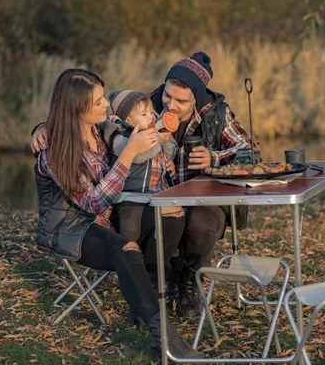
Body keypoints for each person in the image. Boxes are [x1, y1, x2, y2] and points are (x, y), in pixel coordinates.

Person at [33, 68, 202, 359]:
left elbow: (127, 119)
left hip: (107, 218)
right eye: (98, 101)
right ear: (78, 107)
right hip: (72, 229)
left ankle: (146, 297)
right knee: (125, 248)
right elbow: (94, 204)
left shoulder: (100, 127)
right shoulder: (55, 151)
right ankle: (164, 339)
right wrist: (128, 153)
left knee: (172, 214)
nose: (106, 105)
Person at [150, 52, 258, 317]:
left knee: (201, 222)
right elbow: (107, 123)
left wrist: (214, 157)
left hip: (206, 198)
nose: (171, 105)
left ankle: (189, 280)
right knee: (160, 218)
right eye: (168, 95)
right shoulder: (148, 106)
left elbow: (251, 153)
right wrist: (42, 129)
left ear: (196, 98)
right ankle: (161, 279)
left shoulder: (217, 113)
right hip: (160, 196)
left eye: (180, 100)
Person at [103, 89, 184, 277]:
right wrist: (158, 140)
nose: (150, 117)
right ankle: (128, 266)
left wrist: (166, 136)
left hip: (154, 195)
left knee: (161, 229)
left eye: (151, 113)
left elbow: (170, 151)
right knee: (130, 234)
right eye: (144, 114)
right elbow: (139, 156)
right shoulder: (120, 137)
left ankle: (157, 267)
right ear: (129, 121)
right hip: (129, 197)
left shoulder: (152, 133)